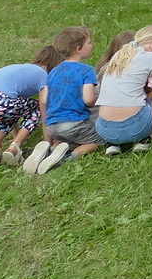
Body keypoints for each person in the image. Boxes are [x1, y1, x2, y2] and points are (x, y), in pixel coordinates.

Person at [0, 44, 62, 166]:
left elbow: (13, 111)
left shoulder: (20, 68)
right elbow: (43, 107)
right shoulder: (43, 75)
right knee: (36, 108)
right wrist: (48, 142)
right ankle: (15, 148)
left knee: (12, 110)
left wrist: (15, 132)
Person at [29, 27, 100, 175]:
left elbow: (44, 99)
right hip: (73, 123)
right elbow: (88, 100)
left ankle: (51, 151)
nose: (92, 45)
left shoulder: (54, 71)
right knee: (99, 139)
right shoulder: (86, 71)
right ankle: (67, 157)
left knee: (70, 138)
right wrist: (97, 99)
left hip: (52, 126)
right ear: (79, 48)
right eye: (89, 43)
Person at [93, 24, 152, 152]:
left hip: (105, 128)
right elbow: (151, 86)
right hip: (137, 127)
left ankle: (113, 145)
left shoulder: (120, 55)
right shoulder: (151, 57)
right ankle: (143, 140)